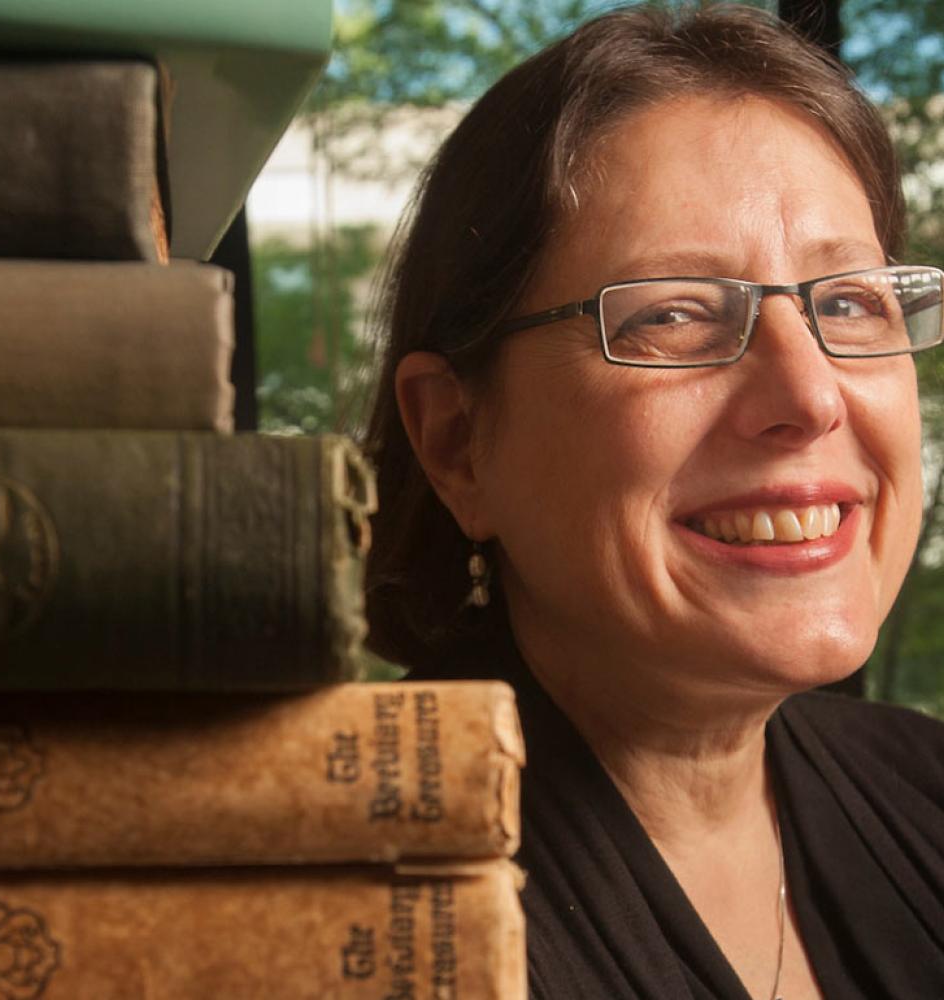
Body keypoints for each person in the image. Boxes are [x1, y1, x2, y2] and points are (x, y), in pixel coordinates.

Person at [363, 5, 944, 998]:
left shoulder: (927, 786)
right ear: (458, 441)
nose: (808, 397)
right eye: (674, 313)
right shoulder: (338, 904)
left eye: (847, 301)